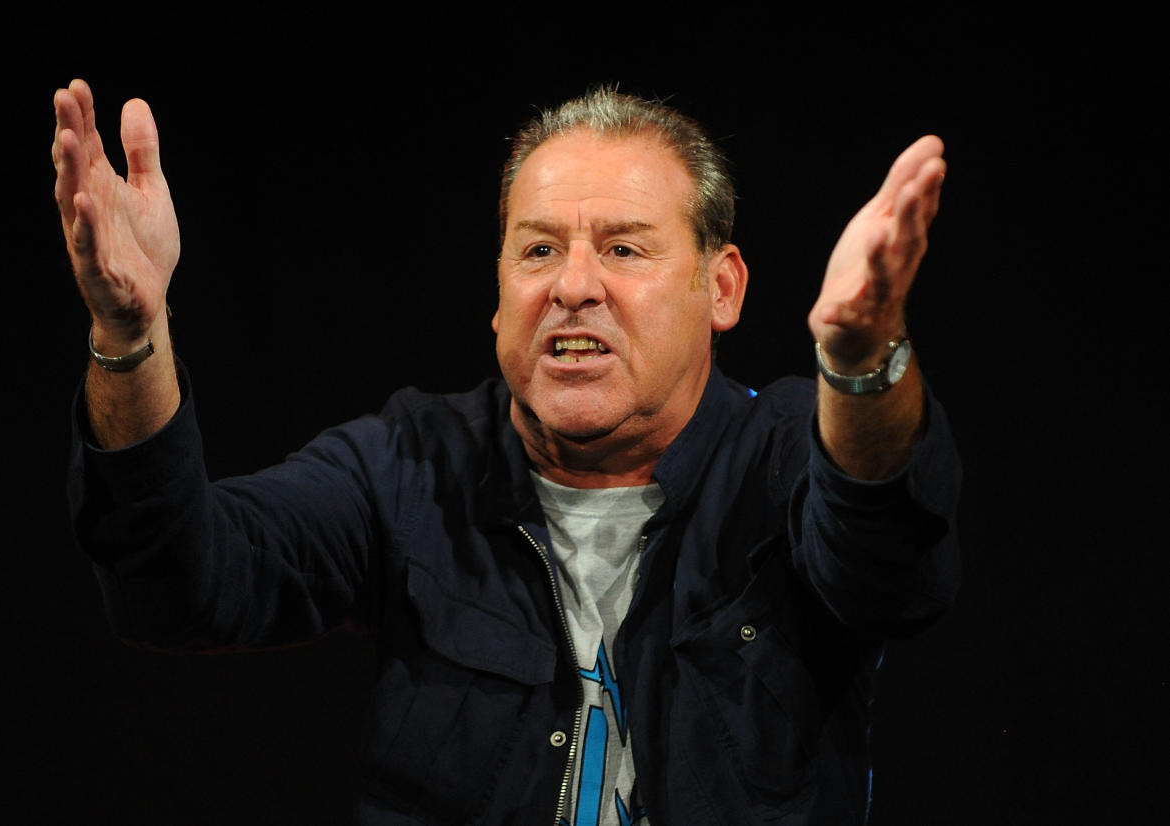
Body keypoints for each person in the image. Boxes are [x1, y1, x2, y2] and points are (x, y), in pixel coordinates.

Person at [53, 78, 960, 825]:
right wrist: (130, 336)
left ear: (718, 289)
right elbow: (176, 585)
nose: (572, 286)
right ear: (496, 297)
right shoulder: (411, 464)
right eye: (536, 251)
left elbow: (888, 560)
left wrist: (860, 364)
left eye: (623, 248)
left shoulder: (783, 459)